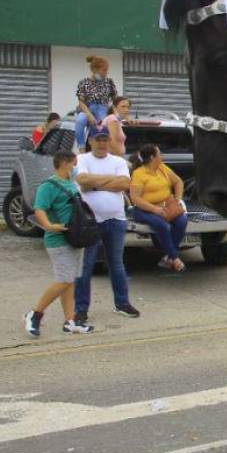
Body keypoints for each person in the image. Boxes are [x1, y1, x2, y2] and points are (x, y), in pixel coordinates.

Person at [24, 151, 94, 337]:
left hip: (74, 238)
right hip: (58, 240)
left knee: (69, 281)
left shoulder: (70, 184)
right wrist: (48, 226)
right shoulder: (48, 186)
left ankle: (69, 321)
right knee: (63, 280)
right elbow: (40, 209)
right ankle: (35, 313)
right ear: (64, 163)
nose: (75, 167)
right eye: (73, 163)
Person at [73, 130, 139, 322]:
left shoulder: (118, 161)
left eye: (105, 140)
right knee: (85, 267)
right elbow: (82, 181)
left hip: (115, 220)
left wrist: (95, 184)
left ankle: (122, 303)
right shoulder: (82, 158)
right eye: (98, 140)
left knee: (116, 264)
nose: (102, 144)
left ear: (109, 141)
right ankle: (81, 309)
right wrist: (110, 181)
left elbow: (125, 183)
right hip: (90, 222)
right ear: (91, 141)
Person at [129, 144, 188, 272]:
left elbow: (178, 181)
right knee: (162, 225)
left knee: (182, 220)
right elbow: (135, 199)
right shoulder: (139, 174)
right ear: (152, 157)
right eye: (159, 154)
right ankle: (175, 258)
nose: (162, 156)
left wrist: (178, 199)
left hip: (166, 205)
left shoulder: (162, 168)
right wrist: (154, 209)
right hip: (144, 209)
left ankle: (168, 257)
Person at [74, 55, 118, 153]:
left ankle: (101, 148)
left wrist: (115, 113)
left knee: (101, 126)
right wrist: (89, 115)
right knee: (80, 121)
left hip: (103, 108)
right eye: (103, 70)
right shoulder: (84, 82)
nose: (106, 73)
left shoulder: (109, 82)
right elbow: (81, 102)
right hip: (87, 108)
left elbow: (115, 100)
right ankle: (82, 149)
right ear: (94, 70)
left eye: (107, 70)